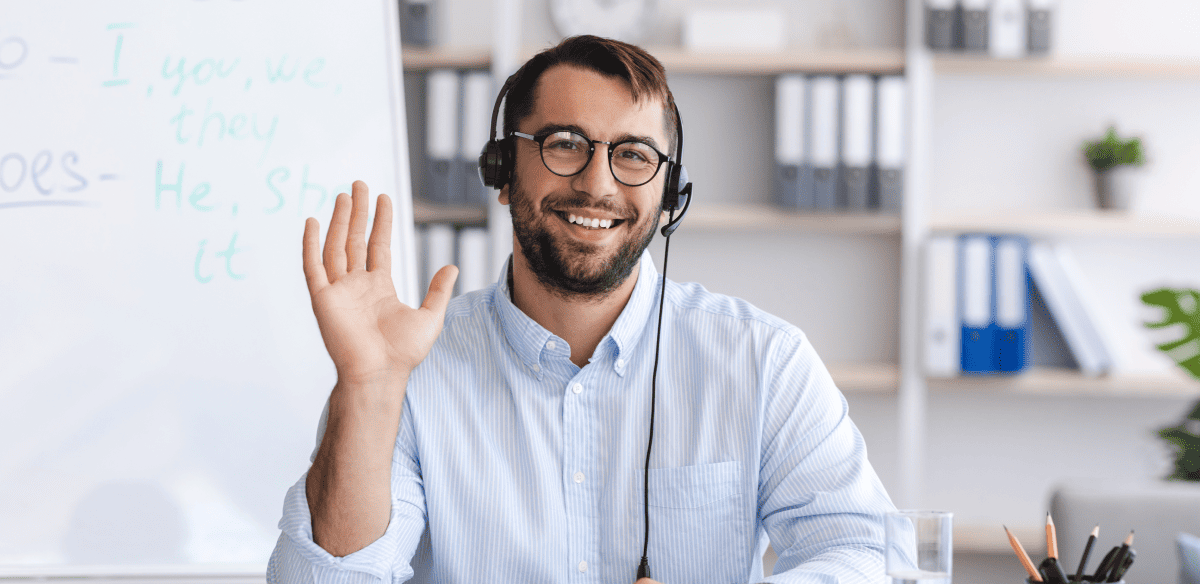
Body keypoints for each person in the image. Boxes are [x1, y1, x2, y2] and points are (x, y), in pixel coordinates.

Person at [268, 35, 897, 584]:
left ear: (669, 192)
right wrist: (370, 389)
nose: (597, 183)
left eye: (633, 155)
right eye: (565, 144)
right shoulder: (409, 369)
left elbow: (863, 550)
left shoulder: (764, 361)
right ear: (503, 170)